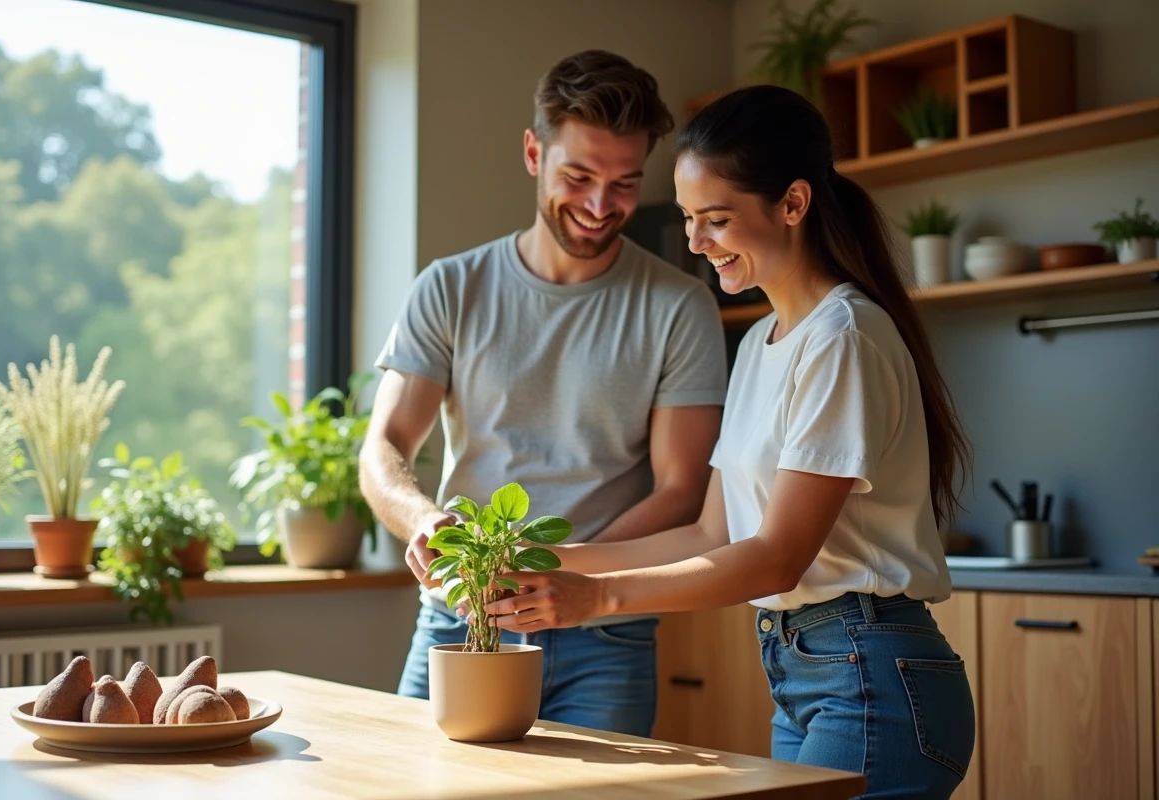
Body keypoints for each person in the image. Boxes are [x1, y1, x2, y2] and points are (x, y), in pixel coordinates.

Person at [482, 85, 978, 799]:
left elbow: (777, 555)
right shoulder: (758, 344)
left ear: (794, 203)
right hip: (805, 671)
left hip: (871, 675)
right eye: (688, 219)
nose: (694, 242)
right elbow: (711, 530)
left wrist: (596, 598)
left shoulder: (843, 339)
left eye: (715, 219)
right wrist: (532, 560)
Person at [358, 49, 728, 737]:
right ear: (534, 153)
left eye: (623, 183)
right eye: (579, 176)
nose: (599, 205)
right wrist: (422, 521)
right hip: (461, 617)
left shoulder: (680, 306)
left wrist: (552, 576)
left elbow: (681, 490)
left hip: (605, 633)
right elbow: (383, 448)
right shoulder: (450, 287)